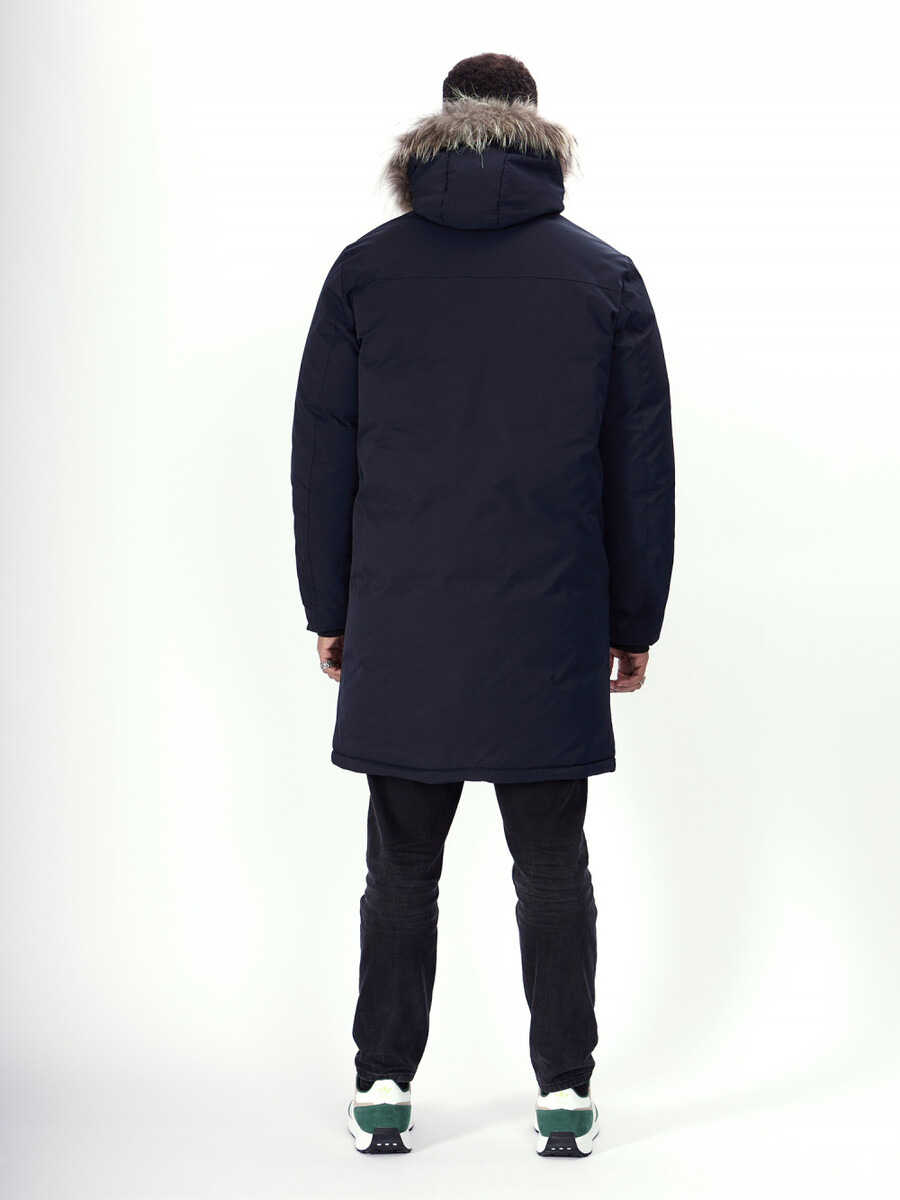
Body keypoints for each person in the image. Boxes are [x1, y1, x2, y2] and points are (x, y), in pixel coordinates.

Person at [290, 52, 676, 1157]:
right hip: (549, 622)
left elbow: (323, 457)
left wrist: (330, 605)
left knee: (400, 866)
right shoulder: (603, 277)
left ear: (441, 127)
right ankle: (565, 1094)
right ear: (534, 130)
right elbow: (638, 469)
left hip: (404, 617)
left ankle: (382, 1086)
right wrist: (633, 621)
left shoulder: (364, 273)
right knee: (551, 865)